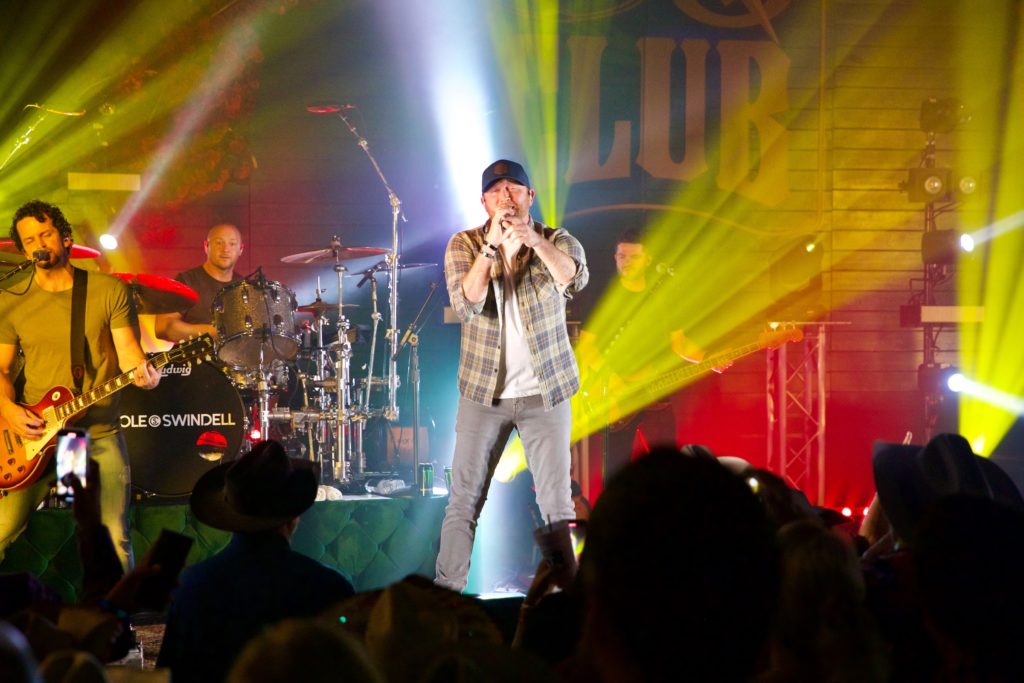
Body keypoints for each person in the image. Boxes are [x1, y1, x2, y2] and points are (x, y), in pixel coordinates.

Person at [435, 159, 589, 592]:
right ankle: (446, 596)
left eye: (514, 189)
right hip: (483, 395)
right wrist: (490, 249)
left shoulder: (557, 240)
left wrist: (533, 240)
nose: (506, 197)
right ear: (484, 202)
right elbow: (466, 303)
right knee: (464, 502)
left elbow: (574, 279)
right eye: (496, 191)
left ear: (529, 197)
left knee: (557, 505)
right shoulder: (463, 244)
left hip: (545, 393)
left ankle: (569, 598)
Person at [0, 200, 160, 569]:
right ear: (22, 250)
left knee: (112, 535)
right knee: (3, 528)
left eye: (46, 234)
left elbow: (130, 356)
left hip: (96, 432)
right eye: (30, 240)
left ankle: (115, 608)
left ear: (66, 238)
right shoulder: (11, 300)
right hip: (35, 437)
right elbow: (2, 370)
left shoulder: (108, 290)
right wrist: (9, 409)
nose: (39, 244)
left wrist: (147, 375)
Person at [157, 439, 355, 682]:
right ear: (294, 518)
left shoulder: (192, 584)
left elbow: (172, 673)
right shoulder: (329, 586)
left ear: (230, 513)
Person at [574, 228, 718, 480]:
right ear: (615, 257)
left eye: (634, 257)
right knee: (616, 468)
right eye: (622, 256)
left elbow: (679, 344)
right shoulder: (603, 296)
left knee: (666, 465)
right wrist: (614, 379)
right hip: (616, 395)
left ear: (648, 260)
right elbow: (586, 348)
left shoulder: (661, 297)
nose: (627, 262)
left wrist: (708, 359)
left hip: (654, 391)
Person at [154, 222, 244, 342]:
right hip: (195, 354)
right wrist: (214, 332)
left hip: (235, 354)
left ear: (241, 249)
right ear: (206, 246)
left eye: (232, 244)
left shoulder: (245, 286)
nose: (225, 249)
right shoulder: (187, 280)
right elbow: (162, 326)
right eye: (219, 242)